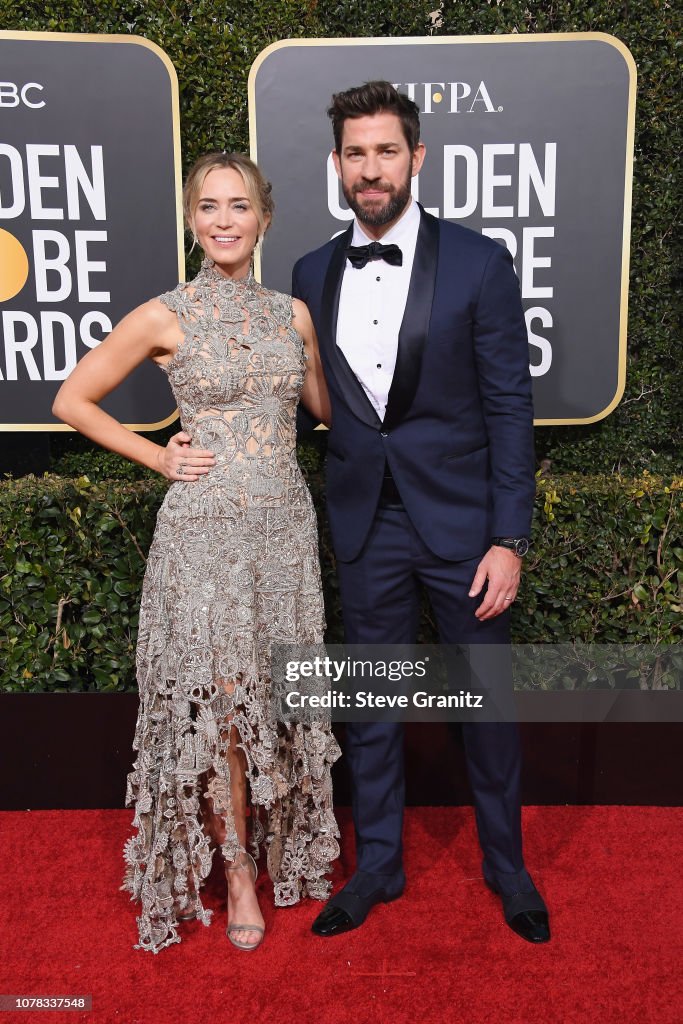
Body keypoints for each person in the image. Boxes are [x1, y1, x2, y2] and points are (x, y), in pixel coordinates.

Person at [52, 152, 340, 954]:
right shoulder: (163, 316)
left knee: (279, 692)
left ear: (264, 218)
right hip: (205, 536)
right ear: (191, 219)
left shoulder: (292, 316)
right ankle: (239, 866)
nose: (222, 219)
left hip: (283, 533)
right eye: (208, 206)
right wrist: (157, 456)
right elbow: (72, 398)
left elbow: (328, 409)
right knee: (223, 705)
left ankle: (283, 833)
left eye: (237, 205)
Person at [292, 82, 550, 943]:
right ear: (337, 165)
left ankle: (508, 870)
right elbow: (309, 402)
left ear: (417, 158)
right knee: (371, 705)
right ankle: (376, 867)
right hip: (367, 527)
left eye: (386, 151)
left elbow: (510, 408)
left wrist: (508, 537)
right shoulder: (310, 271)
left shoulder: (479, 262)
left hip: (465, 530)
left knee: (486, 706)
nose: (371, 169)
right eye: (355, 154)